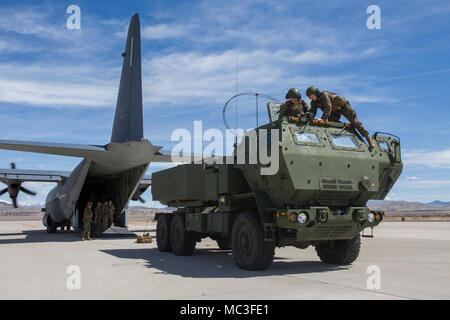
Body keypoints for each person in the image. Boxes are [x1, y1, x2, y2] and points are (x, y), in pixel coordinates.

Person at [306, 86, 375, 148]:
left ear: (316, 93)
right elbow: (312, 112)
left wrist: (322, 119)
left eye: (311, 96)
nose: (311, 98)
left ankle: (368, 139)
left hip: (343, 106)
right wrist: (309, 116)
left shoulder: (324, 95)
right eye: (309, 97)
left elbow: (328, 108)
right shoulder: (313, 102)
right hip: (334, 111)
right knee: (332, 123)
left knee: (355, 122)